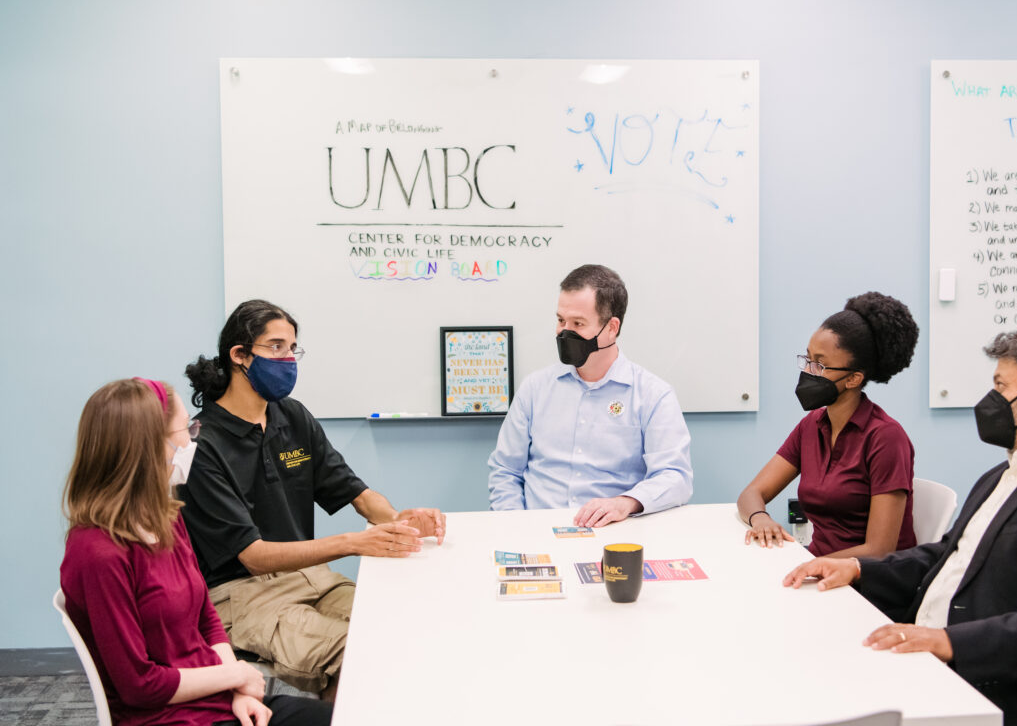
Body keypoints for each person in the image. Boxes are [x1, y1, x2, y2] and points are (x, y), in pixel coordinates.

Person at [786, 326, 1017, 726]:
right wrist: (857, 569)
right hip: (938, 663)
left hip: (1009, 695)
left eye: (1001, 386)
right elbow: (946, 555)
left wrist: (946, 642)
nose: (990, 400)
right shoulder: (1008, 470)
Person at [180, 299, 446, 698]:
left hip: (312, 579)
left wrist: (396, 520)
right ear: (239, 355)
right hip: (241, 593)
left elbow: (353, 491)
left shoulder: (292, 416)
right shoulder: (201, 444)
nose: (287, 359)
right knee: (354, 658)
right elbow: (252, 556)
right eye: (275, 347)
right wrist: (354, 543)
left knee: (403, 629)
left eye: (292, 348)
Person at [61, 377, 332, 726]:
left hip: (214, 701)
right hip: (167, 717)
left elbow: (205, 617)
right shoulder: (99, 553)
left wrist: (238, 690)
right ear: (146, 447)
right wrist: (234, 677)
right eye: (184, 430)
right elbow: (140, 686)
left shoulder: (165, 518)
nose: (192, 439)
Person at [487, 264, 693, 527]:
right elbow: (505, 471)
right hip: (537, 532)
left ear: (611, 328)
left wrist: (625, 502)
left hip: (615, 534)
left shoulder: (653, 395)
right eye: (561, 320)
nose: (564, 332)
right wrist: (515, 525)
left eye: (578, 323)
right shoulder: (535, 388)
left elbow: (676, 477)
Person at [737, 292, 920, 558]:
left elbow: (880, 550)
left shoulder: (886, 437)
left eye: (820, 365)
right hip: (818, 567)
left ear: (854, 379)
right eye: (808, 359)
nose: (809, 370)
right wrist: (760, 518)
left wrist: (807, 564)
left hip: (870, 582)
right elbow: (752, 493)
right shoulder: (811, 427)